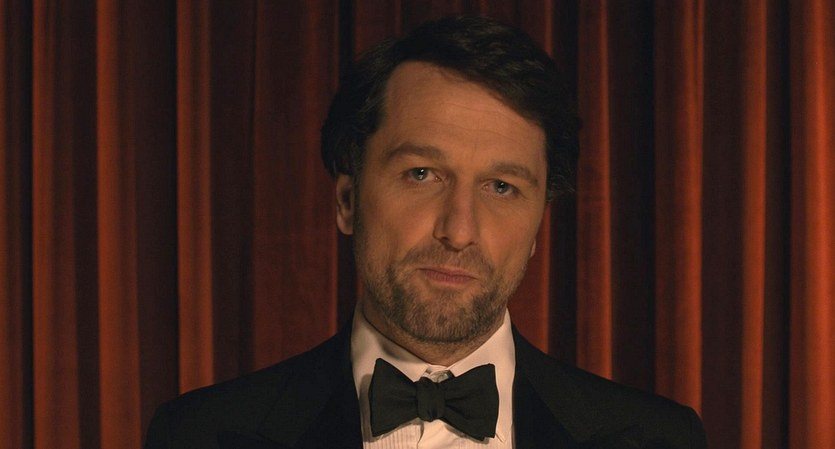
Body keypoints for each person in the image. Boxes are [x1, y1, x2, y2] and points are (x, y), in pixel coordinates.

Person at [145, 16, 707, 449]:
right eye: (422, 174)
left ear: (539, 223)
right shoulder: (197, 434)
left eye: (502, 186)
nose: (459, 231)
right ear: (347, 200)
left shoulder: (661, 439)